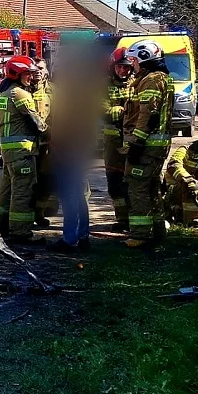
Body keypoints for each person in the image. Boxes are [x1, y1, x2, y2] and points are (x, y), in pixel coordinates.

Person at [46, 42, 105, 253]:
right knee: (78, 194)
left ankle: (70, 238)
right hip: (74, 149)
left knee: (70, 195)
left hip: (68, 150)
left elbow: (68, 125)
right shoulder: (83, 93)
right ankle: (82, 235)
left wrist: (59, 146)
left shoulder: (74, 95)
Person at [121, 40, 175, 248]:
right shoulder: (162, 78)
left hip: (146, 146)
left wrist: (137, 143)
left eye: (134, 60)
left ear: (144, 58)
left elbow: (148, 114)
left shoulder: (151, 81)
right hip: (157, 146)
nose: (132, 64)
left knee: (138, 189)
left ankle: (140, 235)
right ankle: (158, 230)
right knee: (152, 188)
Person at [0, 56, 48, 244]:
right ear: (16, 74)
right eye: (27, 74)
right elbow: (36, 124)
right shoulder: (20, 94)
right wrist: (51, 134)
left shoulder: (5, 93)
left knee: (6, 191)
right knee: (23, 192)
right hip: (22, 152)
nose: (30, 78)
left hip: (10, 153)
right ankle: (20, 232)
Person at [103, 48, 135, 231]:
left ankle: (135, 219)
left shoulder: (137, 84)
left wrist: (124, 111)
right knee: (114, 182)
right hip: (113, 144)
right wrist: (121, 111)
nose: (123, 71)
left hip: (132, 142)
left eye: (126, 67)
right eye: (119, 67)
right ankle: (122, 219)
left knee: (133, 182)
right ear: (113, 67)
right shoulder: (103, 86)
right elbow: (101, 110)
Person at [31, 58, 59, 226]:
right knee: (27, 182)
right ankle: (24, 218)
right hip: (28, 146)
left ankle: (39, 214)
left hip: (47, 145)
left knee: (46, 181)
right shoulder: (23, 90)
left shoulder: (55, 92)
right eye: (35, 69)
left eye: (41, 68)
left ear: (47, 71)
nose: (38, 72)